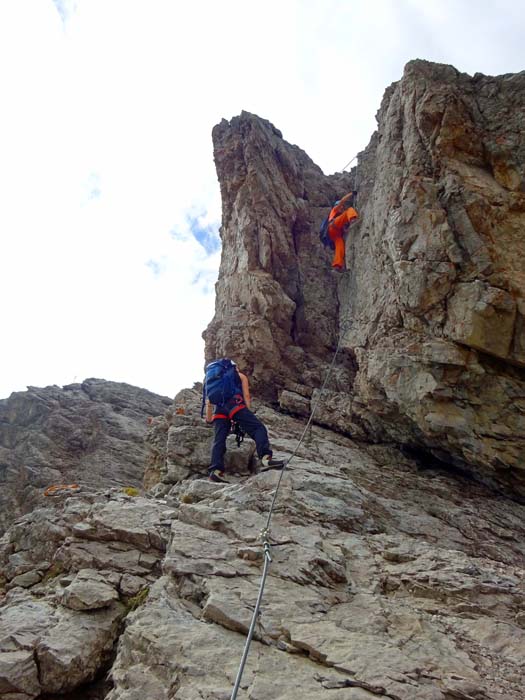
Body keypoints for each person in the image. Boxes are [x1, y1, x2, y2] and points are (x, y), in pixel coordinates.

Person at [205, 362, 284, 483]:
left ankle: (215, 471)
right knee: (258, 428)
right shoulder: (239, 376)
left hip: (219, 411)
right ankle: (266, 459)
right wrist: (246, 412)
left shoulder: (213, 381)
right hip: (236, 406)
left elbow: (209, 402)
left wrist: (209, 418)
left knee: (219, 439)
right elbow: (246, 395)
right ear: (234, 368)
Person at [327, 190, 358, 271]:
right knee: (350, 210)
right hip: (333, 226)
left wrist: (347, 230)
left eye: (342, 207)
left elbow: (344, 229)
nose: (342, 208)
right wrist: (351, 194)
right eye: (341, 207)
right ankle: (353, 218)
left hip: (335, 234)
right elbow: (342, 200)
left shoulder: (339, 215)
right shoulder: (335, 209)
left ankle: (337, 265)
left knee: (340, 247)